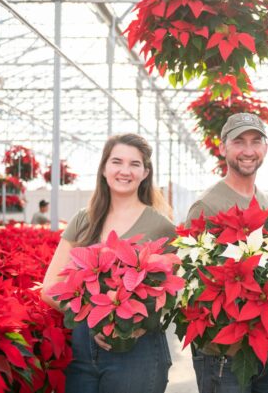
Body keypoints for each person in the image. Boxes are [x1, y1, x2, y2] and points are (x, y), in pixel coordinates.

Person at [41, 133, 175, 393]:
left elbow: (170, 295)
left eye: (135, 164)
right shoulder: (84, 219)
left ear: (145, 173)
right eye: (117, 162)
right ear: (104, 168)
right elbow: (50, 287)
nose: (125, 171)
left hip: (137, 352)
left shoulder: (162, 226)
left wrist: (135, 325)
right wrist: (97, 318)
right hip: (83, 350)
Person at [185, 113, 268, 393]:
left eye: (255, 141)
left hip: (263, 348)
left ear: (265, 149)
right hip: (221, 355)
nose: (248, 150)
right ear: (223, 148)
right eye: (238, 142)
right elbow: (191, 285)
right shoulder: (206, 206)